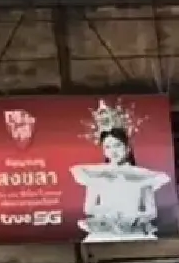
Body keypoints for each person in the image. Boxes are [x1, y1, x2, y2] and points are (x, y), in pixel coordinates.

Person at [70, 100, 170, 242]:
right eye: (108, 147)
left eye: (117, 145)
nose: (113, 151)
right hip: (105, 231)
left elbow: (151, 211)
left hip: (134, 231)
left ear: (127, 148)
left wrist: (131, 218)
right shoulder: (95, 174)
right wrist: (108, 215)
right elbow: (89, 208)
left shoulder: (143, 175)